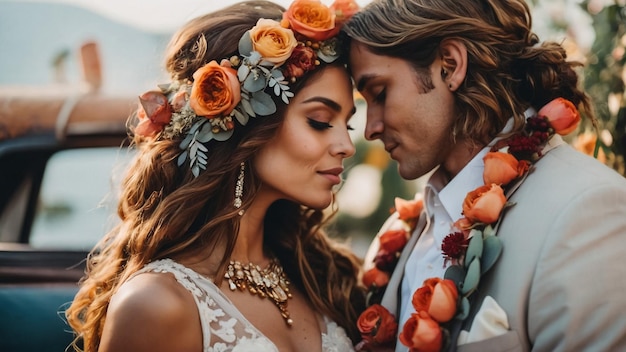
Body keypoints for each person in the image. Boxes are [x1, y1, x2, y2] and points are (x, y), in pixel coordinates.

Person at [65, 1, 366, 351]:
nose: (346, 145)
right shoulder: (155, 304)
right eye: (319, 122)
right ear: (243, 123)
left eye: (348, 124)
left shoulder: (324, 279)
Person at [342, 0, 626, 351]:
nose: (370, 128)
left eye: (380, 93)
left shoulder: (587, 211)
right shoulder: (401, 234)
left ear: (450, 65)